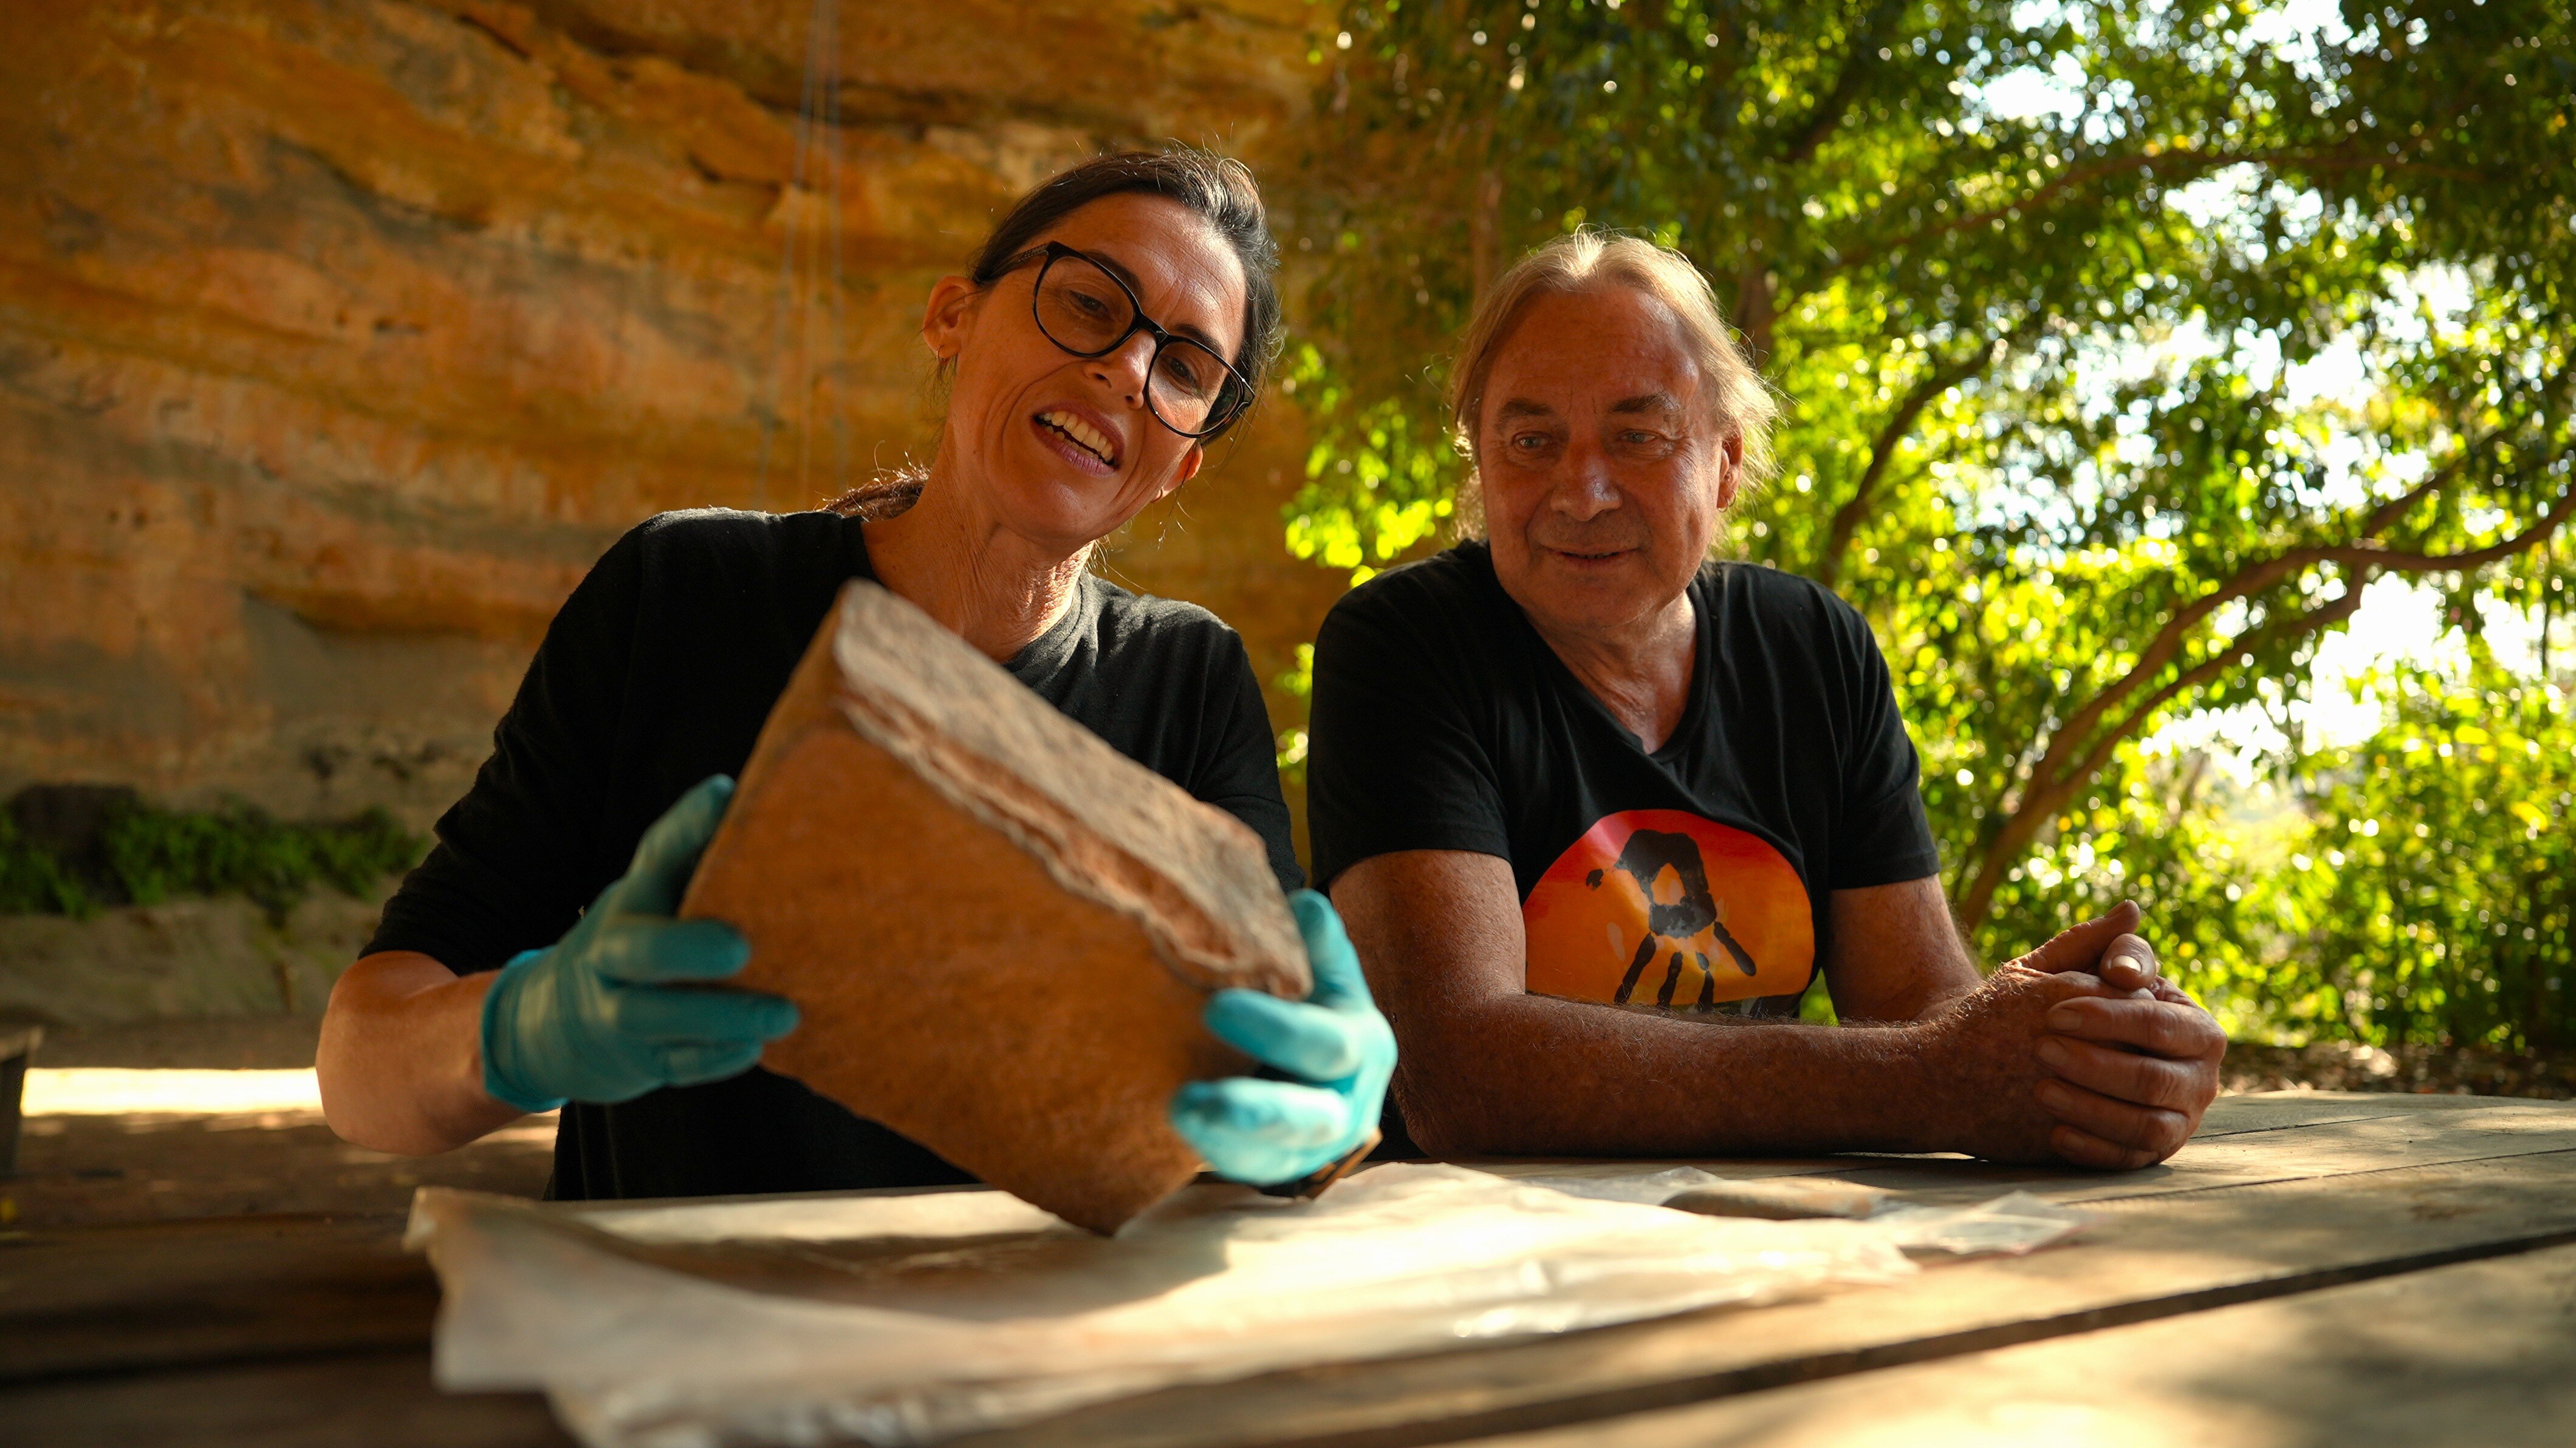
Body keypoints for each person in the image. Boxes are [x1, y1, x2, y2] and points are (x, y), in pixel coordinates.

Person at [317, 151, 1394, 1201]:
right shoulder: (682, 596)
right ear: (953, 318)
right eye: (1086, 301)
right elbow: (363, 1070)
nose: (1127, 367)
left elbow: (1256, 1080)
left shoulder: (1187, 676)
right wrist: (530, 1028)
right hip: (682, 1343)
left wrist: (1314, 1120)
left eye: (1188, 371)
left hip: (1020, 1348)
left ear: (1184, 462)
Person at [1307, 231, 2222, 1170]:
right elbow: (1460, 1079)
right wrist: (1937, 1077)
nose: (1580, 494)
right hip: (1474, 1270)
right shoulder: (1405, 648)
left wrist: (2085, 1044)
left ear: (1727, 463)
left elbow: (1921, 1009)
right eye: (1530, 442)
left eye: (1638, 437)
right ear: (1481, 467)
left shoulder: (1814, 649)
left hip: (1763, 1242)